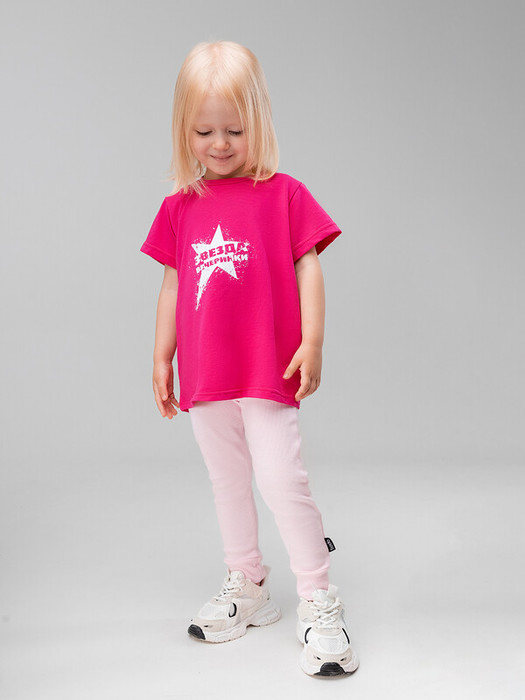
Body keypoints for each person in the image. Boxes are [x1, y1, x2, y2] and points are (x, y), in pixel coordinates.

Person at [140, 40, 359, 678]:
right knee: (228, 480)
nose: (220, 143)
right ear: (184, 129)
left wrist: (313, 341)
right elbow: (173, 285)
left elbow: (308, 266)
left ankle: (318, 596)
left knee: (283, 479)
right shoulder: (180, 208)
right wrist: (161, 356)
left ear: (258, 122)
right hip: (207, 374)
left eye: (234, 130)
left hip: (268, 368)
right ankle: (249, 582)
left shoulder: (284, 195)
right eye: (204, 131)